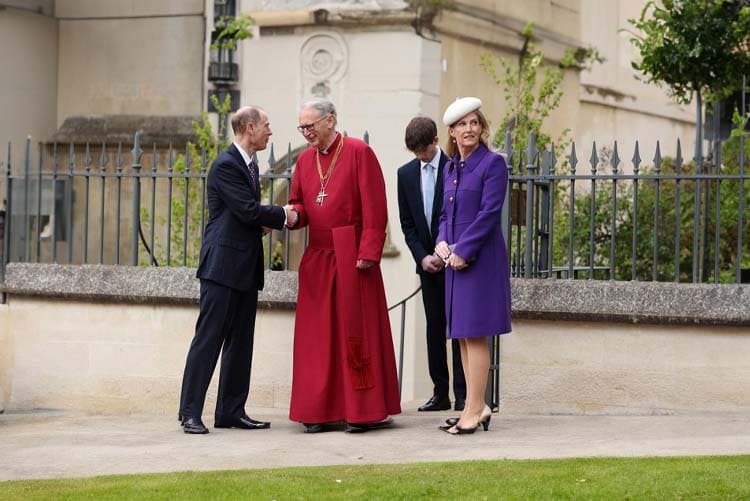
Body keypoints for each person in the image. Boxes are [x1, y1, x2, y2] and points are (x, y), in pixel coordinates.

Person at [178, 105, 297, 434]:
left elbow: (241, 217)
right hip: (221, 268)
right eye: (266, 125)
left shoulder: (251, 164)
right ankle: (190, 412)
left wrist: (261, 223)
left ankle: (231, 411)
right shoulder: (226, 164)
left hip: (245, 267)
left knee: (241, 342)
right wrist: (283, 215)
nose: (270, 132)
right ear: (249, 127)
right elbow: (245, 211)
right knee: (209, 340)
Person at [287, 99, 401, 433]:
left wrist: (368, 250)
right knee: (318, 339)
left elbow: (375, 207)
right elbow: (299, 204)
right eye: (302, 127)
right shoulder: (304, 160)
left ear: (330, 121)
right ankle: (318, 411)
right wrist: (287, 216)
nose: (307, 132)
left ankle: (360, 412)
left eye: (311, 125)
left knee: (355, 334)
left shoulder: (357, 152)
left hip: (353, 256)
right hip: (318, 256)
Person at [434, 97, 512, 435]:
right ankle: (474, 407)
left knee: (475, 334)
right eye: (462, 124)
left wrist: (464, 250)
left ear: (482, 128)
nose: (470, 129)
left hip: (479, 260)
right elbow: (443, 215)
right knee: (463, 336)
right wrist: (441, 242)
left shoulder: (493, 164)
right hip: (454, 261)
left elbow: (489, 214)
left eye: (474, 123)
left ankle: (474, 409)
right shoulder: (451, 167)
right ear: (451, 131)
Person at [397, 117, 466, 412]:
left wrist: (446, 253)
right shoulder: (405, 174)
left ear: (436, 142)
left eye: (423, 151)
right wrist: (422, 257)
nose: (420, 157)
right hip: (427, 265)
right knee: (434, 328)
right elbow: (407, 224)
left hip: (456, 263)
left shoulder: (456, 167)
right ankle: (440, 393)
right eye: (415, 153)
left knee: (460, 329)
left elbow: (460, 217)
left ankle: (464, 395)